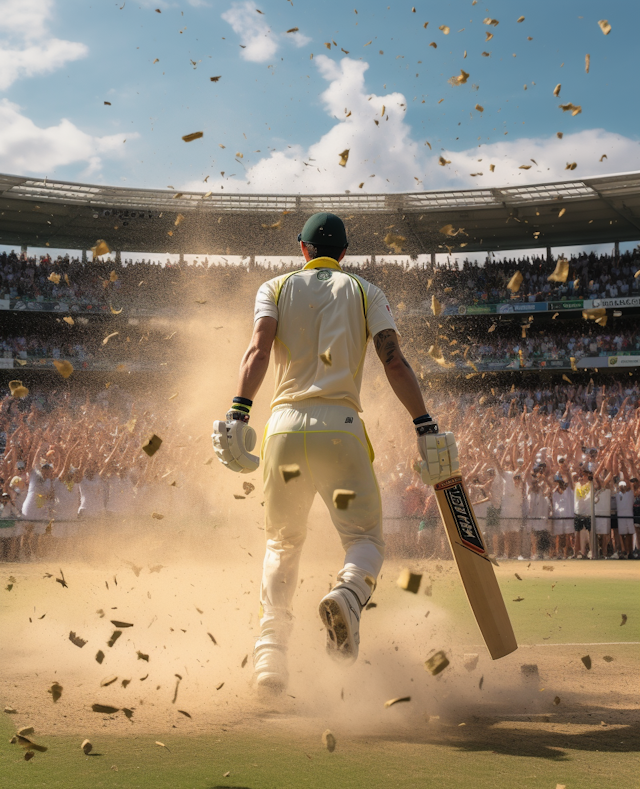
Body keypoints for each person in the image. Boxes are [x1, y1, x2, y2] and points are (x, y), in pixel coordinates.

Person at [212, 212, 458, 695]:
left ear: (301, 249)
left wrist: (239, 412)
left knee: (283, 542)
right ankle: (347, 595)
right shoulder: (366, 291)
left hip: (282, 431)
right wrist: (424, 423)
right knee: (365, 539)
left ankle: (270, 655)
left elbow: (257, 351)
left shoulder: (275, 287)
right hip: (340, 433)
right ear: (345, 254)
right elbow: (393, 360)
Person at [551, 474, 574, 559]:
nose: (559, 485)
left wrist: (567, 471)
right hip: (558, 516)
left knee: (567, 535)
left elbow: (570, 482)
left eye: (560, 483)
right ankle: (558, 553)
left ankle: (565, 554)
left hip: (567, 516)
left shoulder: (569, 491)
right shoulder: (554, 493)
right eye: (557, 483)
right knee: (558, 535)